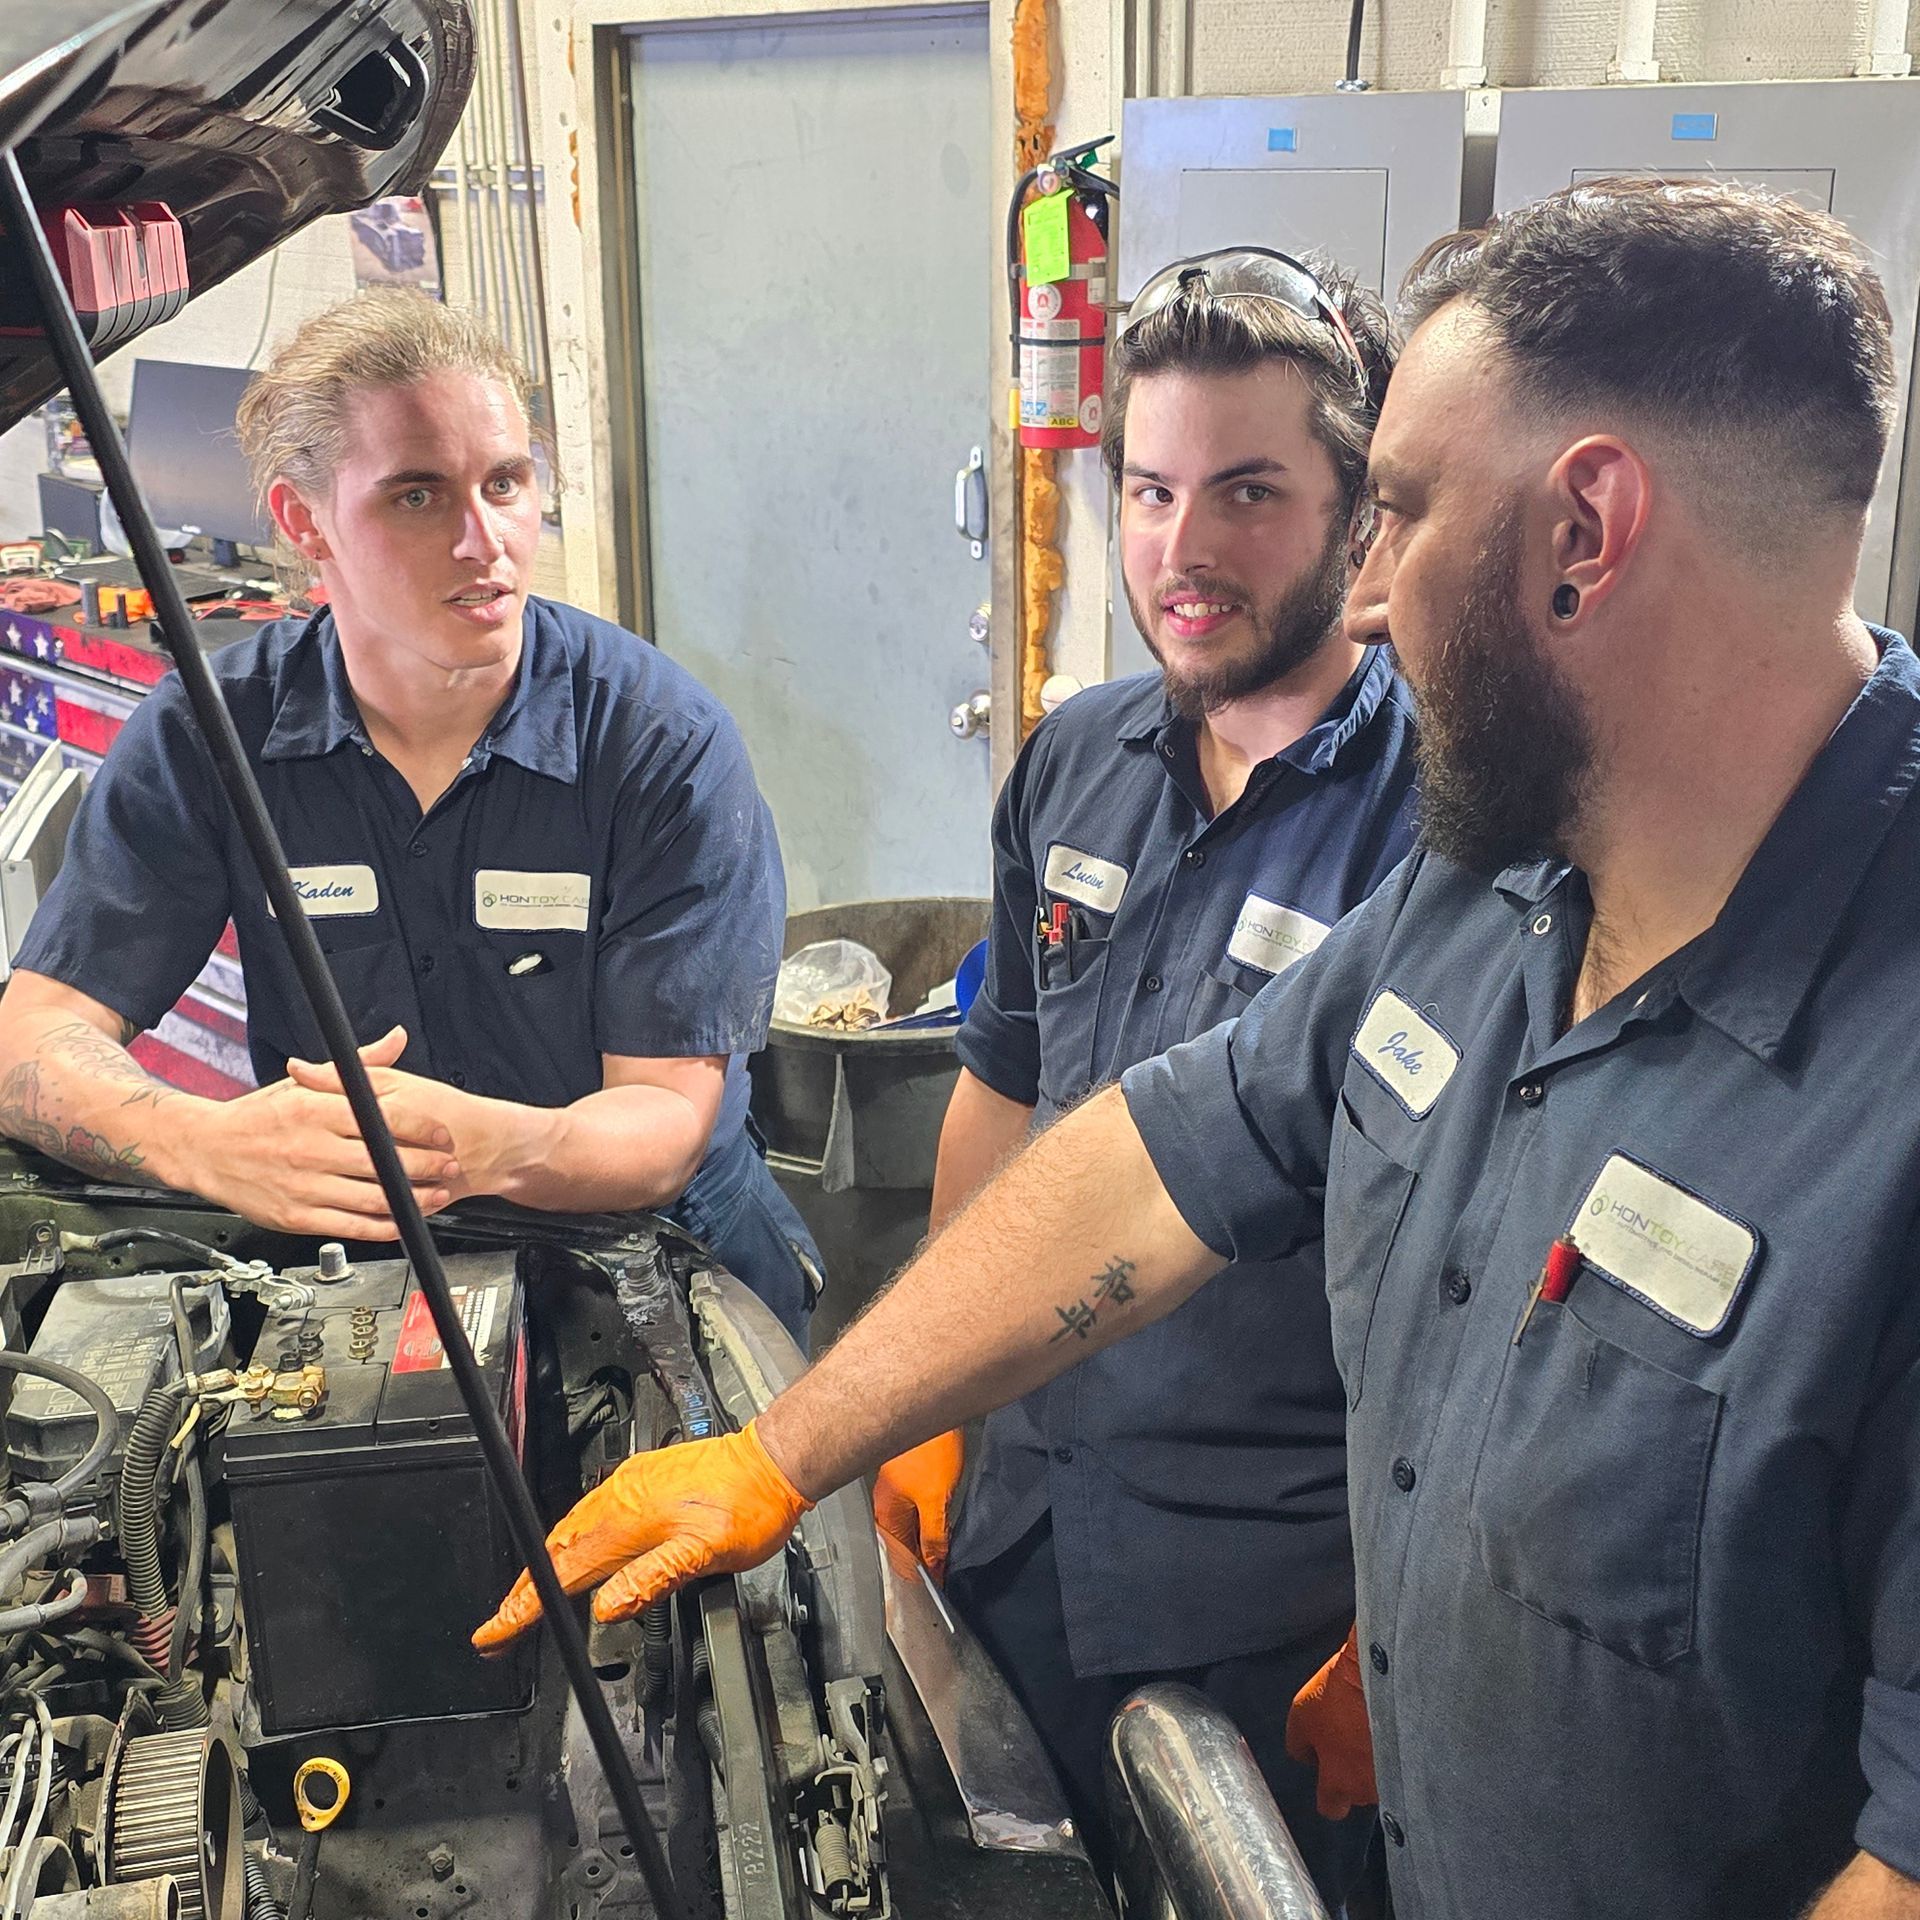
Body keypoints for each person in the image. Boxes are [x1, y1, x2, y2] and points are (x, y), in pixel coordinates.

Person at [481, 176, 1920, 1918]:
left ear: (1584, 532)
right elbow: (1157, 1157)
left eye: (1397, 508)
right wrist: (798, 1445)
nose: (1371, 593)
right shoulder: (1498, 887)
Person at [870, 247, 1414, 1894]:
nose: (1181, 549)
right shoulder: (1073, 758)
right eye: (1153, 490)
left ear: (1363, 517)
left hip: (1286, 1596)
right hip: (1034, 1530)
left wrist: (1411, 1625)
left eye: (1248, 492)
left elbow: (1483, 1285)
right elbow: (1005, 1085)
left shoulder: (1453, 825)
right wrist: (928, 1394)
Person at [0, 292, 820, 1343]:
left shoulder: (660, 748)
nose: (486, 542)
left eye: (507, 483)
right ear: (304, 524)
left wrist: (472, 1146)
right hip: (366, 1278)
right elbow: (37, 1031)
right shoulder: (211, 742)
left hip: (663, 1265)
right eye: (418, 497)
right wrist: (199, 1144)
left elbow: (661, 1123)